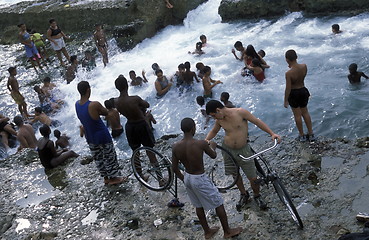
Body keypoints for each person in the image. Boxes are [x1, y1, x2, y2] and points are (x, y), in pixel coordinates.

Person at [172, 118, 243, 239]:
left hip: (188, 177)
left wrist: (184, 179)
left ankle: (207, 231)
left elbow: (174, 168)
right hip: (199, 178)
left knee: (198, 205)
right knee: (218, 203)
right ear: (193, 128)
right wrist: (213, 146)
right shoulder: (200, 143)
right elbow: (213, 155)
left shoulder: (176, 146)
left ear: (182, 130)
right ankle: (227, 231)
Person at [205, 100, 281, 210]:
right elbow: (214, 131)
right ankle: (244, 194)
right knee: (235, 175)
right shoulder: (219, 120)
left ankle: (257, 195)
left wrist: (272, 134)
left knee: (252, 177)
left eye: (213, 115)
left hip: (244, 149)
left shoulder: (240, 112)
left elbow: (257, 122)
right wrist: (206, 140)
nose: (214, 119)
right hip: (228, 150)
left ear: (218, 110)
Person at [75, 81, 126, 185]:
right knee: (109, 156)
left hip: (90, 136)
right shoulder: (94, 104)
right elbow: (106, 112)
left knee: (98, 158)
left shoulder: (77, 104)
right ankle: (113, 178)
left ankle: (106, 178)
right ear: (88, 90)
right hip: (101, 135)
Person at [114, 75, 160, 182]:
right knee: (150, 151)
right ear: (127, 86)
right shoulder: (135, 99)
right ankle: (160, 179)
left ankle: (141, 177)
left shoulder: (116, 102)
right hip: (141, 125)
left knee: (135, 153)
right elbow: (147, 104)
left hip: (130, 126)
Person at [284, 49, 315, 142]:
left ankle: (302, 135)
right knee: (305, 112)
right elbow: (302, 77)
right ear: (296, 57)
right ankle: (311, 133)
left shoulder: (288, 73)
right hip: (303, 90)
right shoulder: (304, 66)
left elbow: (288, 88)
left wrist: (285, 100)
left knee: (297, 115)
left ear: (287, 60)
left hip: (294, 94)